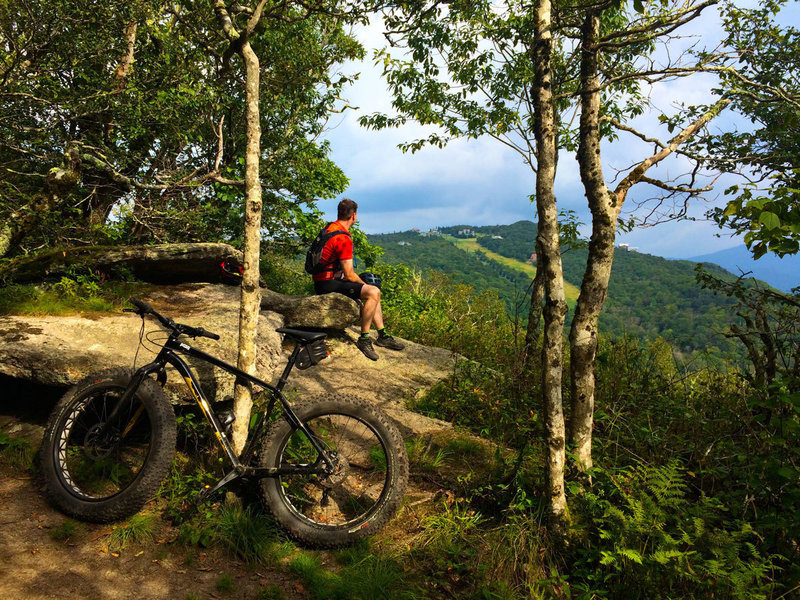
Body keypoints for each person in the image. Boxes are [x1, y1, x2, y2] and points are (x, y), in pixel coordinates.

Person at [312, 198, 405, 360]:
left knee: (372, 290)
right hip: (327, 284)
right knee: (372, 291)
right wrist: (364, 286)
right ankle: (364, 338)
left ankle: (382, 335)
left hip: (323, 280)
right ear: (354, 216)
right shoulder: (343, 238)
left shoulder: (330, 228)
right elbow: (349, 274)